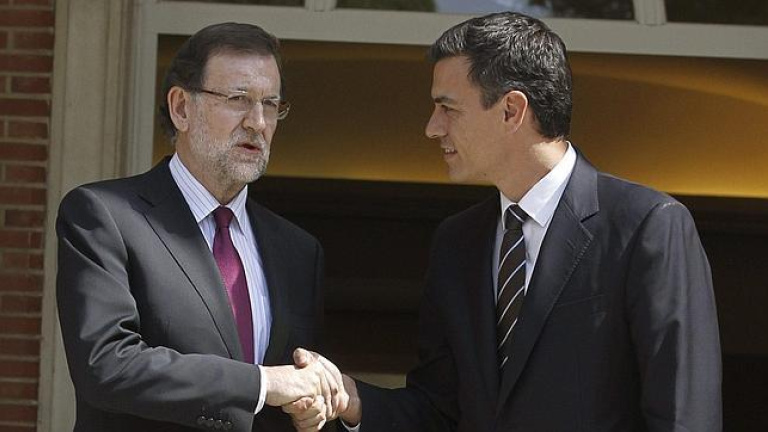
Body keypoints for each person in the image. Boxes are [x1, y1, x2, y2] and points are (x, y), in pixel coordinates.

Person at [287, 11, 722, 432]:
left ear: (512, 110)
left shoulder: (647, 227)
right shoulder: (457, 242)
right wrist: (352, 400)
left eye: (447, 108)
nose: (432, 128)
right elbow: (439, 410)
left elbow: (683, 416)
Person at [56, 22, 346, 432]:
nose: (258, 122)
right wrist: (262, 383)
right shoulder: (105, 216)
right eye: (238, 99)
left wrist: (309, 407)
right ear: (181, 108)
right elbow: (106, 366)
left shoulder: (299, 251)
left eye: (270, 104)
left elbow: (290, 390)